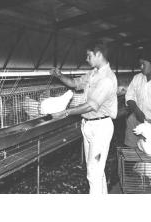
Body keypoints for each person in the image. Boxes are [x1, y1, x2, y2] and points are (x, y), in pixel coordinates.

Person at [50, 41, 117, 194]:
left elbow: (90, 106)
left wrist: (65, 112)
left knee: (93, 173)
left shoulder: (107, 78)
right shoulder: (93, 73)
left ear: (99, 54)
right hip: (88, 125)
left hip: (100, 128)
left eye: (89, 56)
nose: (86, 59)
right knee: (96, 170)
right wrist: (59, 75)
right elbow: (75, 83)